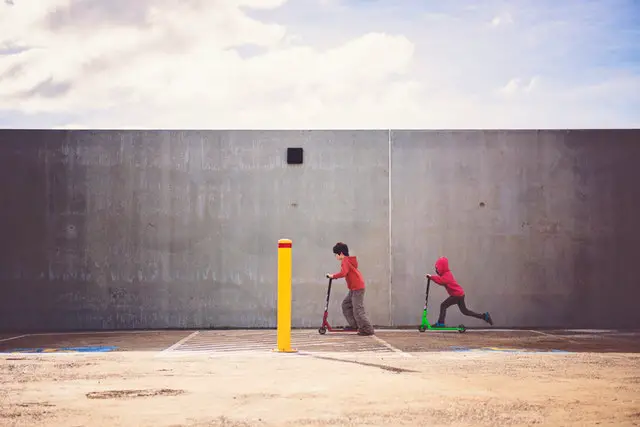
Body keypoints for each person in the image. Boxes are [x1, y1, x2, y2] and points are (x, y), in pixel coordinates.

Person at [426, 256, 493, 327]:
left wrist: (431, 277)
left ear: (442, 267)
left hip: (457, 295)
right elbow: (441, 280)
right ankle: (484, 316)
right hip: (459, 295)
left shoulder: (447, 275)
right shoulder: (446, 274)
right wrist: (432, 277)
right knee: (465, 311)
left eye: (437, 268)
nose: (436, 270)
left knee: (443, 305)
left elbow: (441, 281)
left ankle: (441, 323)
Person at [326, 242, 375, 336]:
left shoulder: (345, 261)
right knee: (346, 305)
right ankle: (355, 325)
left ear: (341, 253)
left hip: (357, 288)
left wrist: (332, 276)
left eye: (336, 254)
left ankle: (367, 329)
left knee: (358, 309)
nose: (335, 256)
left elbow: (343, 273)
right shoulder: (347, 260)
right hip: (354, 288)